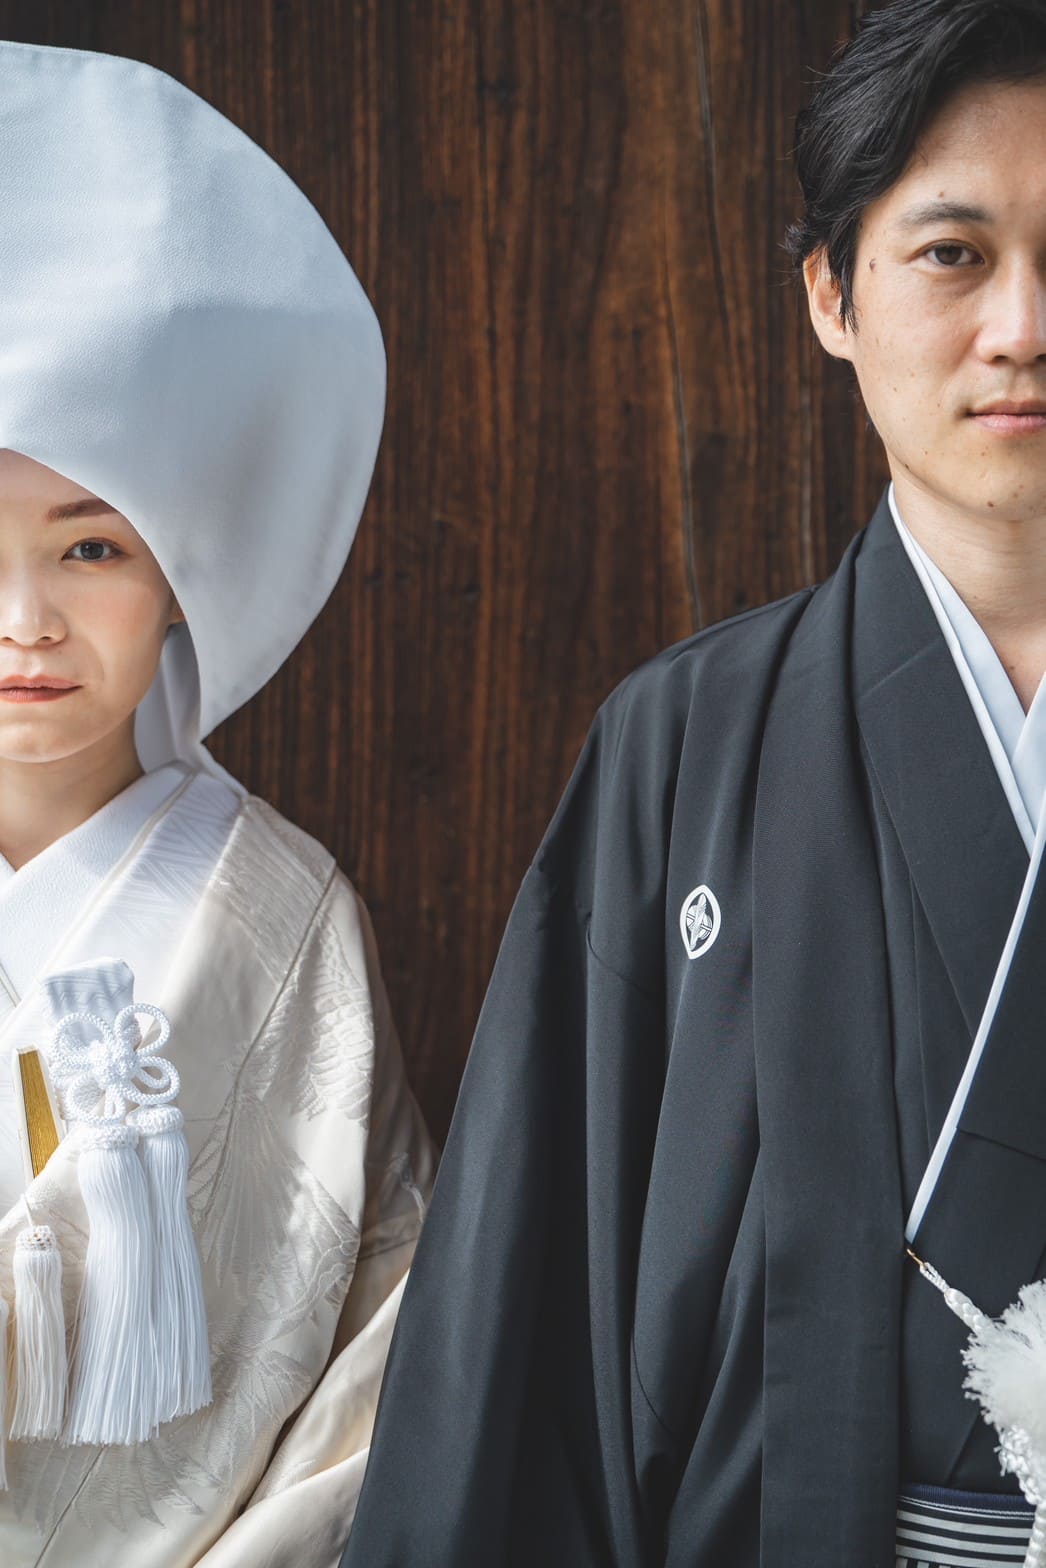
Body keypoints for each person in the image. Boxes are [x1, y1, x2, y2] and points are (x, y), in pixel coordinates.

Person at [339, 2, 1046, 1565]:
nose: (1018, 326)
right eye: (951, 254)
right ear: (831, 297)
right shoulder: (682, 745)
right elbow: (527, 1315)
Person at [0, 38, 433, 1568]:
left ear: (183, 571)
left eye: (93, 547)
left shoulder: (276, 913)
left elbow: (378, 1356)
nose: (28, 621)